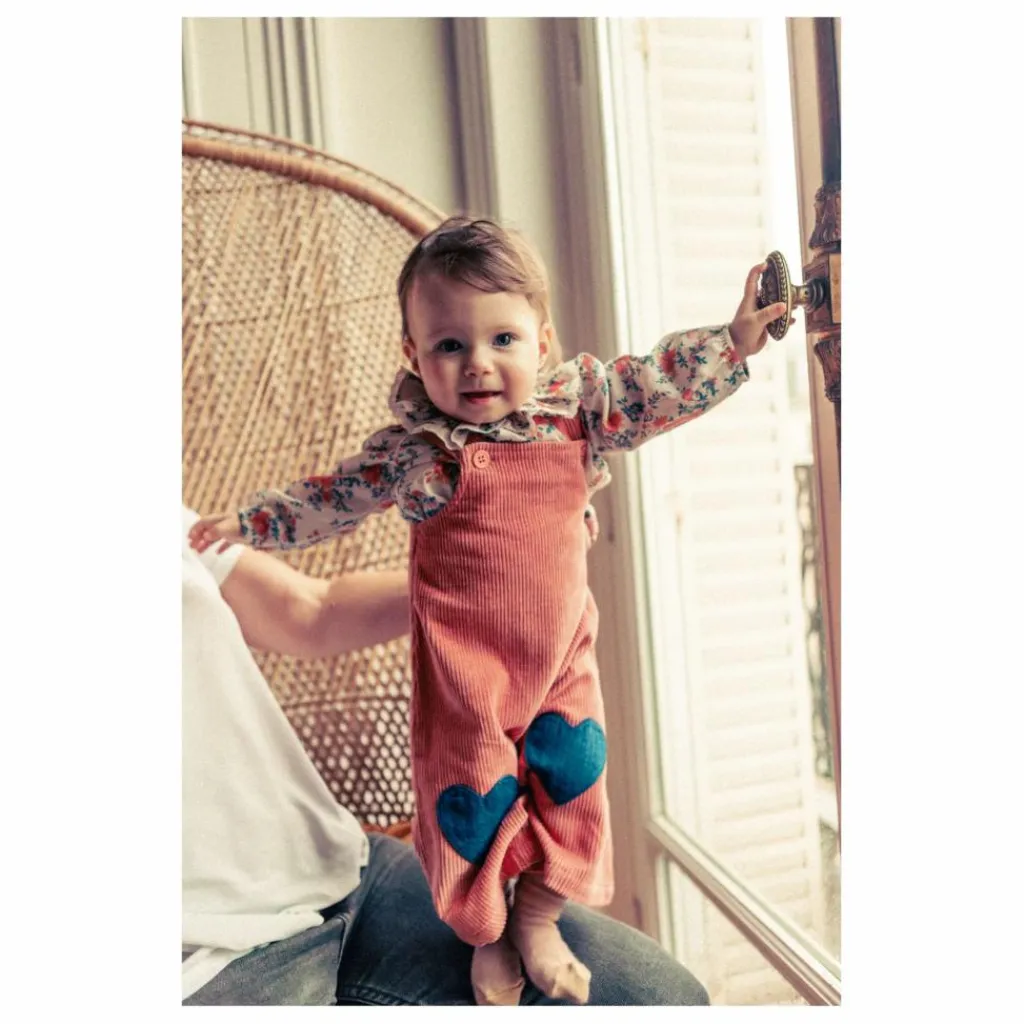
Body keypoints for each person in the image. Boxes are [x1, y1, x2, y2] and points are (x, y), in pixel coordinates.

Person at [189, 217, 786, 1005]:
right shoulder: (414, 450)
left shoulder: (577, 408)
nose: (478, 363)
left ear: (543, 341)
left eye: (502, 339)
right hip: (465, 672)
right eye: (449, 346)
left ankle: (538, 914)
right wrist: (249, 524)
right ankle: (485, 934)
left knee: (575, 779)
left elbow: (652, 385)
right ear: (413, 355)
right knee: (468, 809)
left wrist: (735, 341)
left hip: (560, 655)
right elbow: (332, 496)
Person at [181, 505, 712, 1005]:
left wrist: (500, 572)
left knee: (661, 997)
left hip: (333, 870)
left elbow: (309, 611)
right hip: (206, 963)